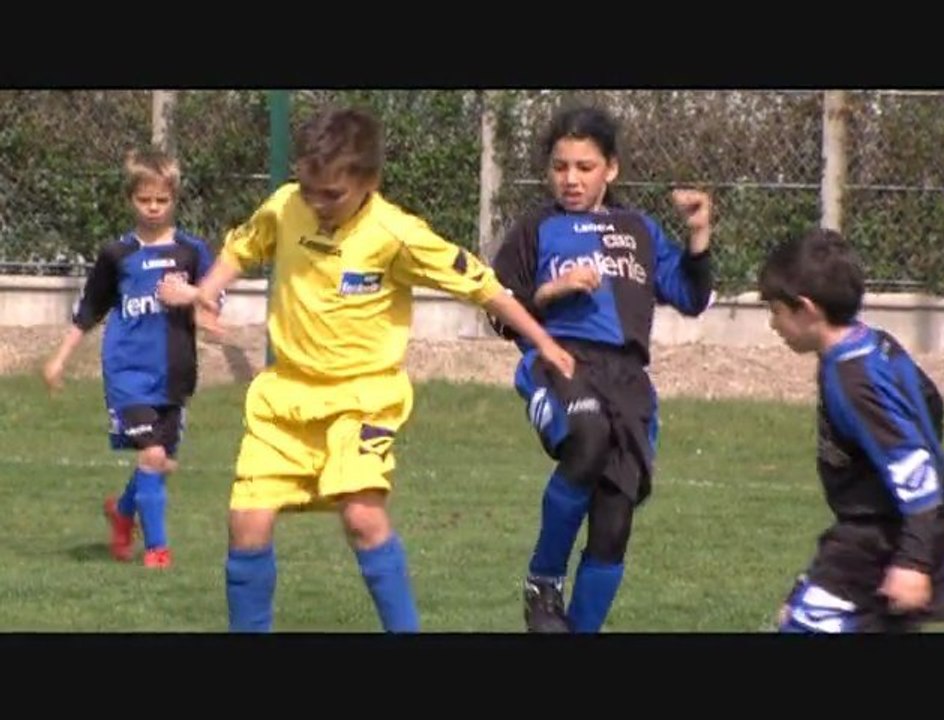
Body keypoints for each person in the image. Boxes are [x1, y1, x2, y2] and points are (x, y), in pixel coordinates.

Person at [156, 105, 575, 633]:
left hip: (363, 398)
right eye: (309, 189)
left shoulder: (395, 233)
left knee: (362, 515)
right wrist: (209, 292)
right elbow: (246, 245)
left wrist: (542, 340)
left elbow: (481, 284)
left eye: (332, 194)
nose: (318, 204)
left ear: (369, 181)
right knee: (247, 525)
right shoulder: (287, 206)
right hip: (284, 396)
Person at [489, 104, 714, 632]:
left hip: (628, 382)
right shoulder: (535, 228)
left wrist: (699, 234)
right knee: (586, 439)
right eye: (560, 166)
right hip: (559, 360)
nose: (570, 178)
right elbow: (499, 311)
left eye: (584, 167)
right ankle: (543, 582)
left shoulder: (638, 228)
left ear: (610, 169)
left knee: (614, 523)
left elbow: (691, 295)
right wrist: (551, 290)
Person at [759, 228, 944, 632]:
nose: (772, 324)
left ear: (806, 309)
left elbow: (913, 468)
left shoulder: (853, 381)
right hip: (877, 530)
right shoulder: (877, 343)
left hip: (883, 538)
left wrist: (913, 561)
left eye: (776, 311)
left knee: (801, 625)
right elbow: (931, 403)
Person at [43, 146, 219, 569]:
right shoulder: (116, 255)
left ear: (175, 198)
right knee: (154, 457)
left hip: (175, 373)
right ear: (130, 199)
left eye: (162, 200)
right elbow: (89, 310)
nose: (153, 208)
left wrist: (198, 303)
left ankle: (123, 513)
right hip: (127, 373)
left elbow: (215, 297)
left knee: (160, 462)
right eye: (145, 200)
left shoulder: (192, 252)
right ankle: (158, 550)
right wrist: (60, 359)